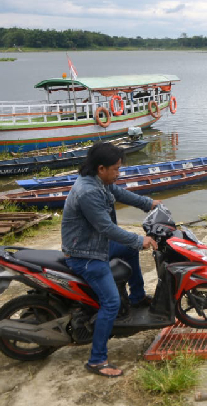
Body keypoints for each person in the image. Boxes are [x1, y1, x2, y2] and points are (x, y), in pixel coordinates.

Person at [62, 142, 160, 378]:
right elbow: (106, 228)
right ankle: (97, 360)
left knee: (128, 251)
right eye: (116, 169)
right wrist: (139, 240)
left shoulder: (99, 182)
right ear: (101, 168)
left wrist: (149, 203)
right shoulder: (89, 192)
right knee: (111, 303)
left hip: (95, 244)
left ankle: (137, 297)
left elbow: (119, 192)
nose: (118, 173)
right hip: (85, 254)